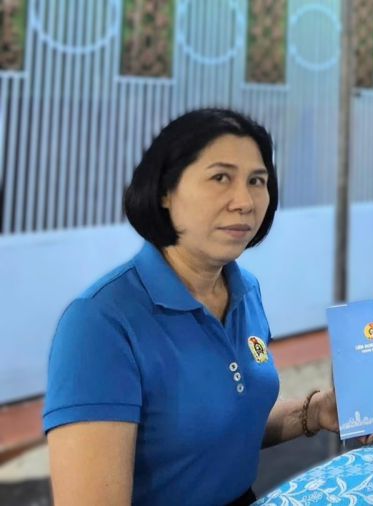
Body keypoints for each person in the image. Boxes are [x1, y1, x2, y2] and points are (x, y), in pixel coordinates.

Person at [43, 109, 340, 505]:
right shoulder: (100, 324)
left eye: (257, 181)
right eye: (221, 178)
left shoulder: (244, 291)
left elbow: (226, 422)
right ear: (165, 191)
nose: (245, 201)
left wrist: (314, 411)